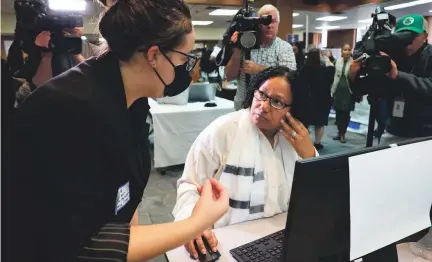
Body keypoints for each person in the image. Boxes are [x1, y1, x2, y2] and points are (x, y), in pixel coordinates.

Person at [10, 1, 229, 261]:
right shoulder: (70, 110)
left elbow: (124, 196)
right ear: (154, 56)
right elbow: (81, 245)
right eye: (184, 58)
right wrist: (195, 223)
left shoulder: (132, 101)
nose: (186, 69)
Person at [173, 66, 317, 259]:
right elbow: (189, 185)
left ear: (293, 110)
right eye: (262, 94)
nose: (263, 106)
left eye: (276, 102)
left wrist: (310, 156)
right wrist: (193, 224)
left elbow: (319, 194)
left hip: (279, 238)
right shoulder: (224, 130)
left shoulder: (295, 141)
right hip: (227, 238)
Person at [350, 14, 432, 260]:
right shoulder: (391, 55)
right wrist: (353, 76)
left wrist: (399, 77)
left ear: (425, 37)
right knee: (388, 184)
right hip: (394, 129)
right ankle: (391, 231)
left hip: (426, 133)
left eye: (412, 38)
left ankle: (422, 232)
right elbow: (368, 90)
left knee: (423, 189)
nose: (407, 44)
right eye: (402, 37)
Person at [225, 4, 297, 110]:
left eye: (273, 21)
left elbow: (290, 77)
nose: (269, 25)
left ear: (278, 24)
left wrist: (260, 69)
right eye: (264, 21)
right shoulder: (245, 44)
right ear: (257, 23)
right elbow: (229, 76)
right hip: (243, 108)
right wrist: (237, 50)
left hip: (270, 110)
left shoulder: (284, 47)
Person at [298, 48, 335, 150]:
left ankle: (304, 142)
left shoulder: (303, 70)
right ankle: (317, 143)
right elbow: (332, 72)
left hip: (307, 101)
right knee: (319, 123)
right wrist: (328, 61)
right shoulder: (325, 70)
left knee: (305, 123)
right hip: (322, 101)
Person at [331, 43, 354, 143]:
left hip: (349, 92)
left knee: (345, 114)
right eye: (345, 50)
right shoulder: (337, 62)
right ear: (341, 51)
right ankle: (339, 132)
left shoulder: (354, 63)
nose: (347, 52)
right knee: (338, 113)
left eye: (349, 50)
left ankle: (343, 134)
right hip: (338, 90)